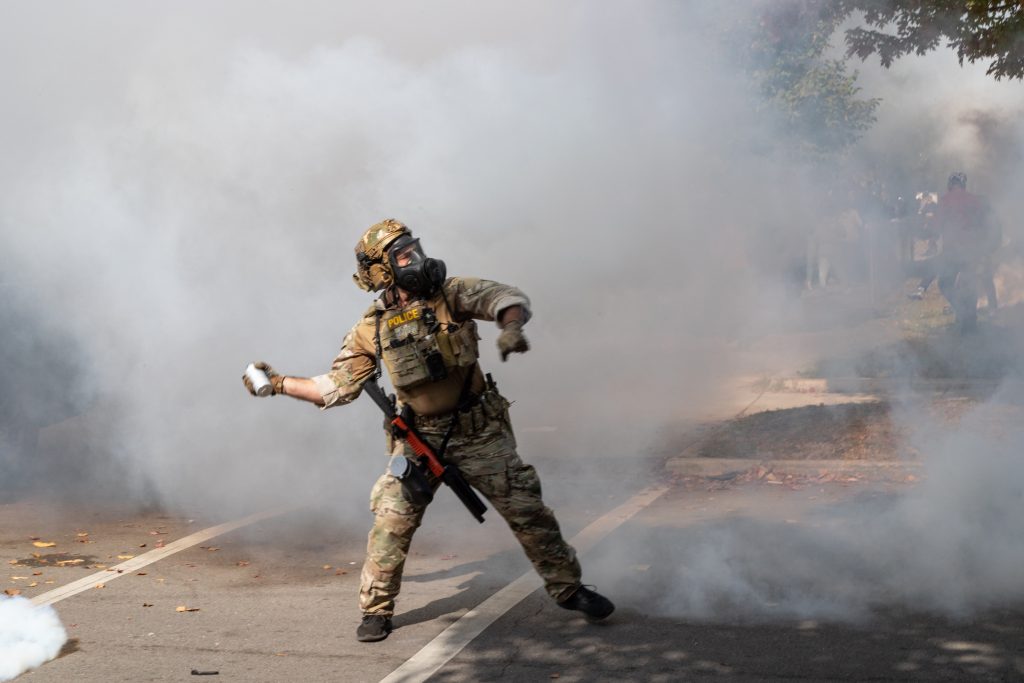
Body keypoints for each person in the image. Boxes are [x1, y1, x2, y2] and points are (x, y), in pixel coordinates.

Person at [243, 219, 614, 642]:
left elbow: (504, 297)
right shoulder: (370, 329)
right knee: (391, 521)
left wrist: (511, 326)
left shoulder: (450, 295)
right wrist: (278, 384)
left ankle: (568, 589)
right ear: (382, 272)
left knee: (528, 510)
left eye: (414, 250)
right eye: (403, 257)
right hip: (419, 439)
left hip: (479, 432)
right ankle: (376, 610)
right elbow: (334, 387)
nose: (417, 260)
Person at [933, 172, 998, 330]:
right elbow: (984, 224)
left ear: (951, 184)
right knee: (970, 284)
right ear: (963, 184)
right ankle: (971, 319)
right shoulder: (975, 200)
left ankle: (962, 311)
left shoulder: (945, 200)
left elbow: (937, 225)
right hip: (973, 250)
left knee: (945, 283)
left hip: (952, 251)